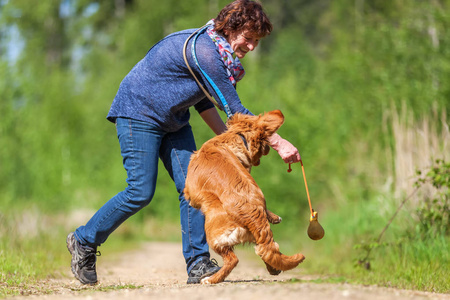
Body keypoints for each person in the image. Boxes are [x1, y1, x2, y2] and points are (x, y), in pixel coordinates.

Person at [67, 0, 301, 285]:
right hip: (138, 113)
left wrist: (223, 140)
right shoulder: (205, 51)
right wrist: (278, 143)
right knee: (140, 190)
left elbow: (203, 101)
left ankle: (198, 263)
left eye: (256, 42)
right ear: (231, 28)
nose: (251, 47)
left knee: (193, 188)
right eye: (249, 39)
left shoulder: (216, 53)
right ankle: (84, 240)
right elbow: (236, 111)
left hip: (173, 120)